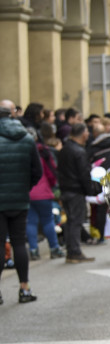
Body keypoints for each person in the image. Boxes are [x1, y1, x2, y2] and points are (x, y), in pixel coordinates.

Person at [0, 100, 42, 304]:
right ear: (12, 115)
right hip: (19, 199)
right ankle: (24, 288)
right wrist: (25, 186)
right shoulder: (26, 138)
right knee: (19, 243)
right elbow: (37, 171)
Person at [57, 122, 100, 263]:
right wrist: (90, 190)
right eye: (87, 132)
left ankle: (71, 251)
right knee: (76, 221)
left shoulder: (65, 149)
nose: (88, 134)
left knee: (71, 221)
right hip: (76, 190)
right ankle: (74, 252)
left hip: (66, 188)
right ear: (82, 134)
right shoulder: (78, 151)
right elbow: (83, 174)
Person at [27, 123, 65, 260]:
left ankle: (33, 250)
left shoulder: (20, 151)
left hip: (26, 192)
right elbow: (51, 172)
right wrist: (54, 185)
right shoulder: (42, 151)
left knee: (30, 222)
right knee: (48, 220)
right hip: (43, 191)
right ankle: (54, 248)